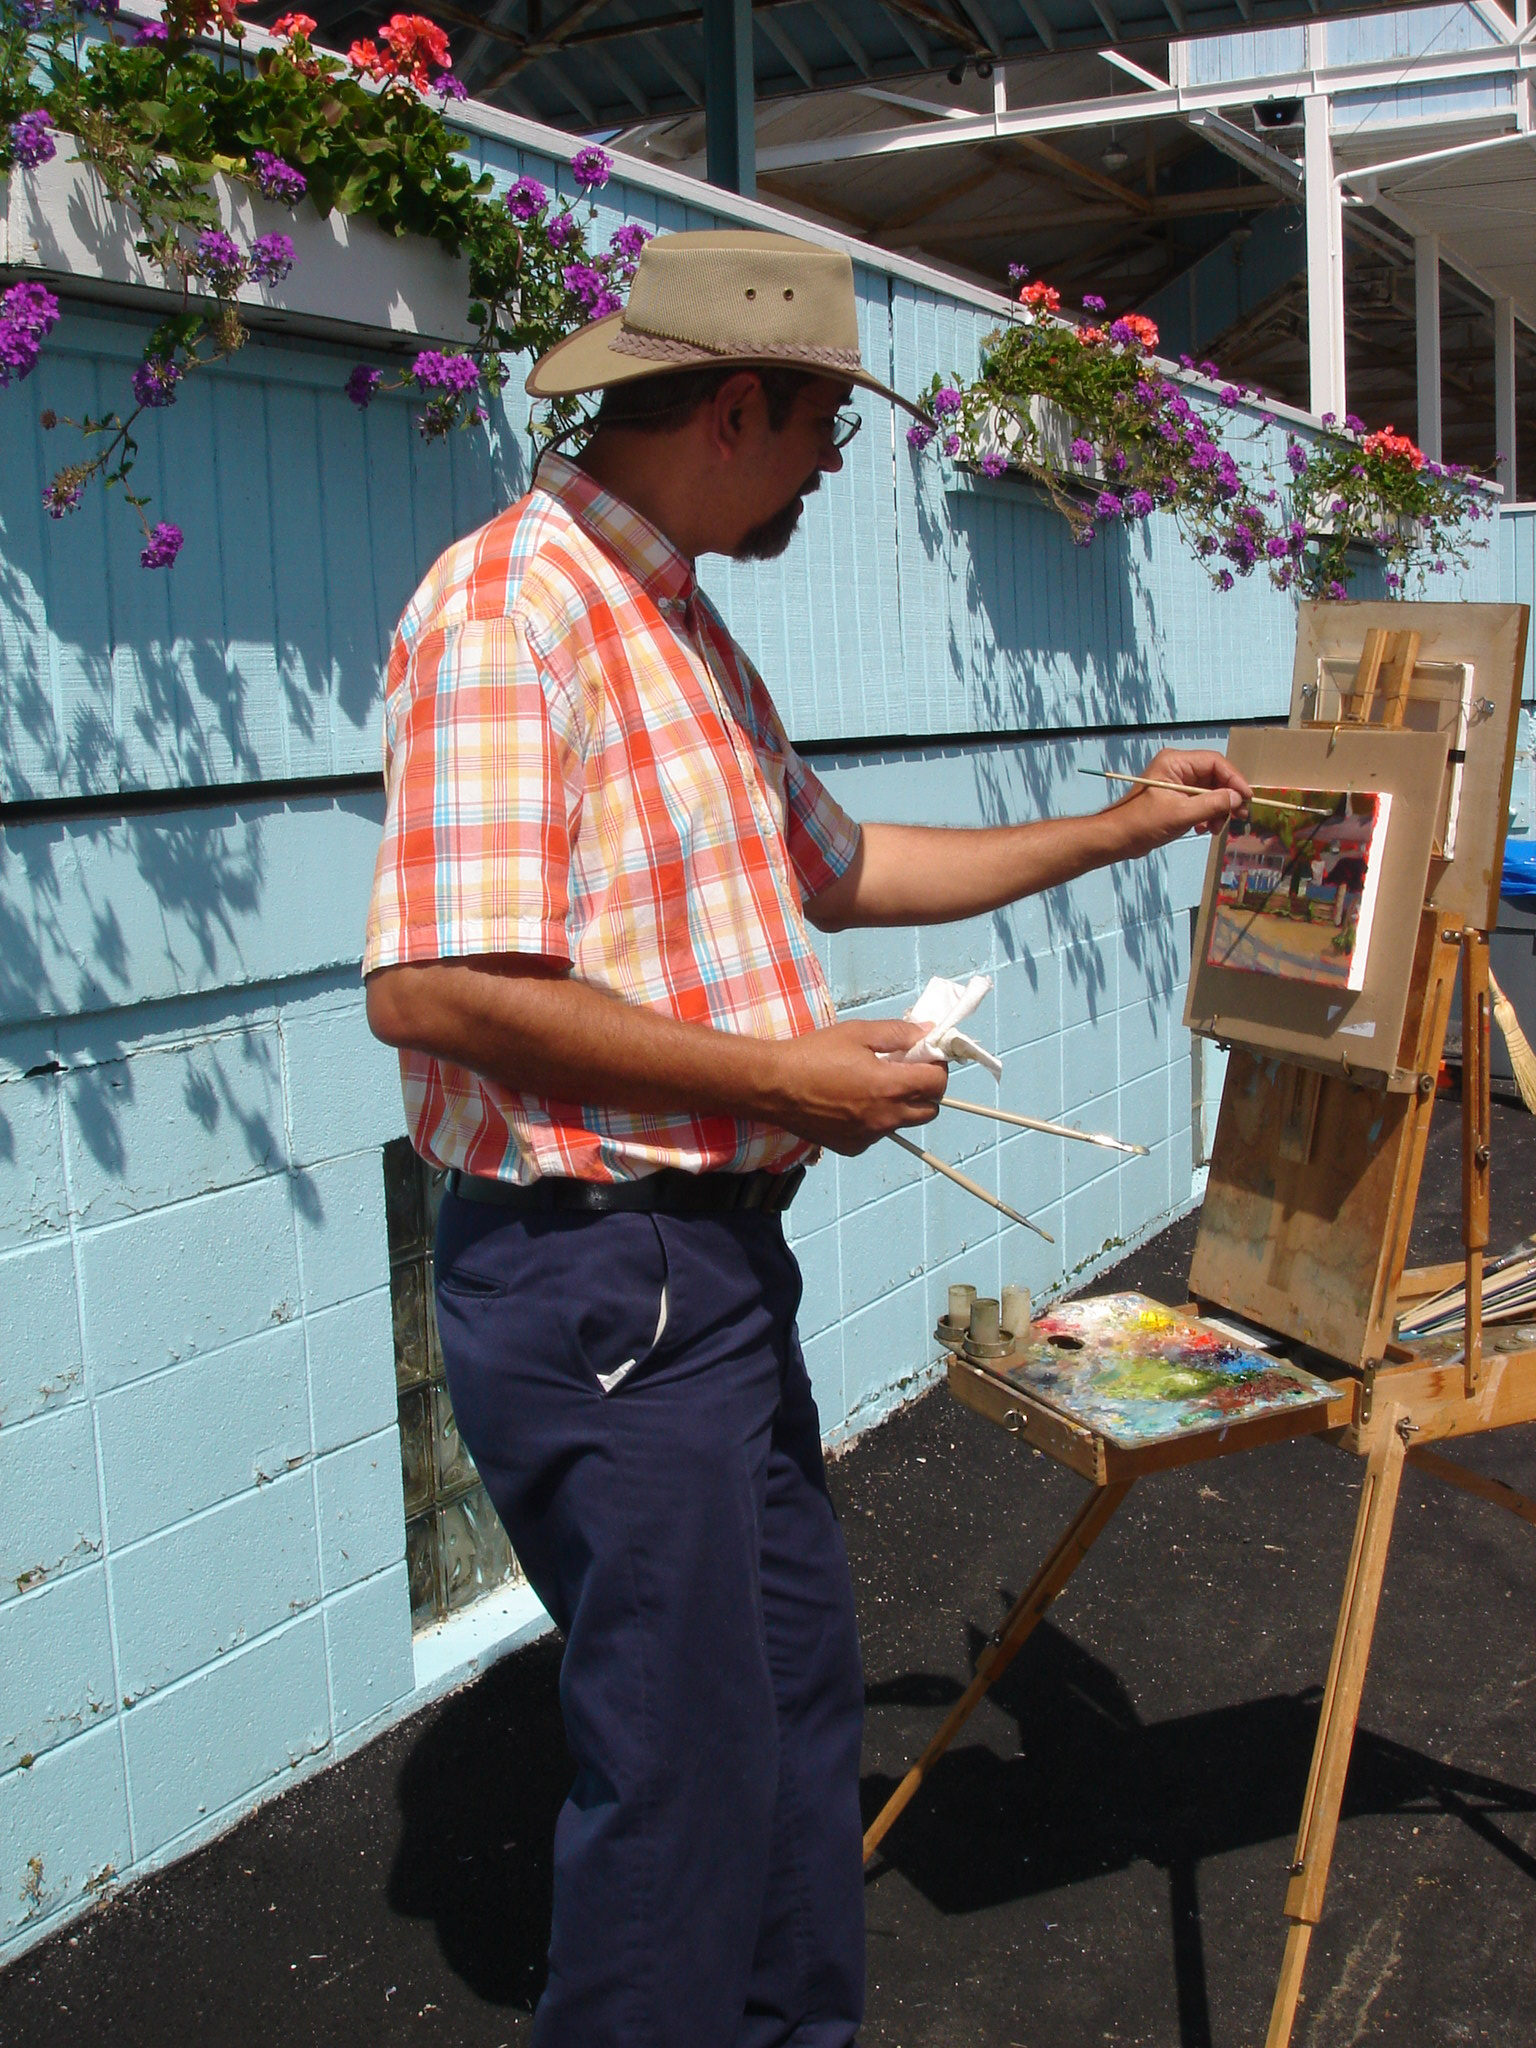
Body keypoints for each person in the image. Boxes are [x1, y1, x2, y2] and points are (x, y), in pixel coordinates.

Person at [363, 227, 1250, 2048]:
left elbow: (843, 875)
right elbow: (436, 988)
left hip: (701, 1272)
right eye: (828, 437)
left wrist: (1124, 823)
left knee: (780, 1720)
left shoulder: (675, 621)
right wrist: (781, 1080)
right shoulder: (507, 610)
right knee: (685, 1786)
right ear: (739, 404)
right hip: (604, 1276)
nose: (830, 474)